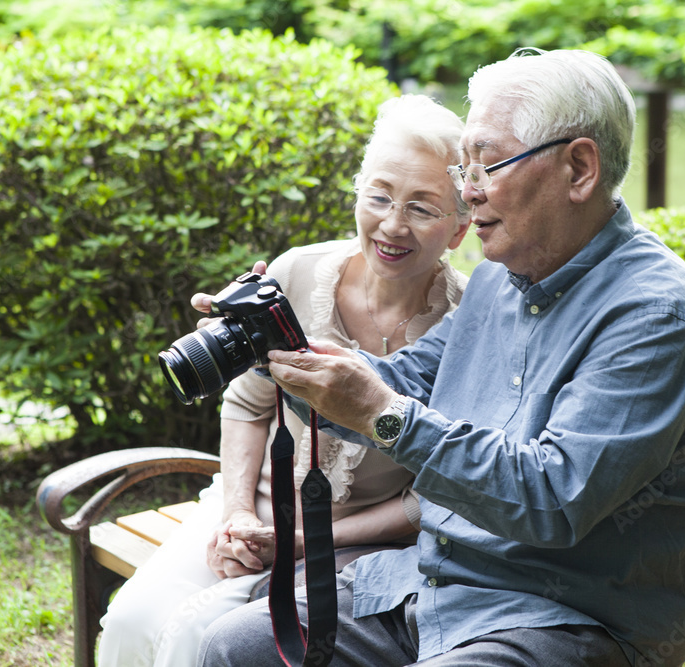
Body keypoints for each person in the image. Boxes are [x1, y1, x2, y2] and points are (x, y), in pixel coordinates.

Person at [198, 48, 685, 667]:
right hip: (432, 588)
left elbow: (552, 499)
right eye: (464, 170)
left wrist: (382, 412)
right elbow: (399, 382)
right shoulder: (497, 281)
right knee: (234, 648)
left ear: (579, 169)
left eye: (486, 164)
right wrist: (277, 345)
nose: (469, 192)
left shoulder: (655, 310)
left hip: (570, 620)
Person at [96, 94, 471, 667]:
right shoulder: (297, 272)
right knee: (131, 619)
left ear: (462, 227)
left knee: (206, 635)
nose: (392, 224)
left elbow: (433, 497)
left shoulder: (470, 324)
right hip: (247, 507)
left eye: (422, 208)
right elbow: (247, 406)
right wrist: (238, 515)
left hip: (360, 540)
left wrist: (303, 542)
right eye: (378, 196)